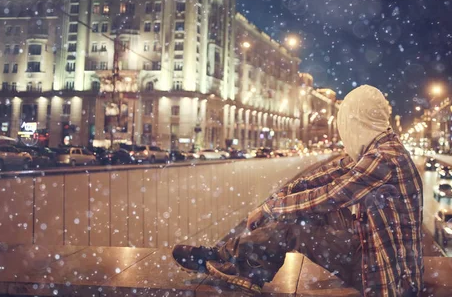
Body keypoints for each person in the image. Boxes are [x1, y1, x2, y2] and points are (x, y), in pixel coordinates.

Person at [173, 85, 423, 296]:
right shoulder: (379, 150)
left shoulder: (384, 159)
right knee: (300, 212)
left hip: (387, 277)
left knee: (297, 224)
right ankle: (246, 267)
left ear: (356, 121)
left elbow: (329, 195)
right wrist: (278, 198)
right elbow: (323, 177)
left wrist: (270, 208)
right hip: (371, 252)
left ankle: (226, 258)